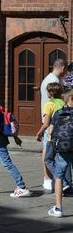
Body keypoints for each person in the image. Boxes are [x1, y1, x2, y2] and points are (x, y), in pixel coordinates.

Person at [36, 82, 72, 193]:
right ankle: (68, 184)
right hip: (65, 137)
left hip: (53, 137)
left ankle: (62, 180)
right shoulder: (63, 102)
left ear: (50, 93)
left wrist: (39, 133)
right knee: (64, 160)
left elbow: (46, 124)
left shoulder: (49, 104)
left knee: (48, 159)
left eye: (47, 90)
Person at [40, 58, 67, 191]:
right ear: (62, 67)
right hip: (51, 124)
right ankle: (48, 178)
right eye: (65, 69)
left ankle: (51, 178)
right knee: (47, 153)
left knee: (48, 152)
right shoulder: (54, 81)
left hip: (50, 122)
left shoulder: (48, 79)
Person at [47, 90, 73, 217]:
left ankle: (58, 208)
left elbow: (50, 131)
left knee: (59, 176)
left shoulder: (59, 113)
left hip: (63, 148)